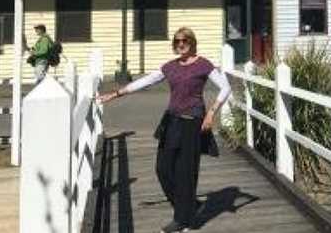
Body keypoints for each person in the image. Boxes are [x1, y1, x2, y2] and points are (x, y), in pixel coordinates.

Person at [98, 27, 231, 233]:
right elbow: (145, 81)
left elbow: (226, 87)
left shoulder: (203, 65)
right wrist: (115, 94)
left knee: (185, 172)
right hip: (171, 122)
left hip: (192, 123)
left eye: (184, 40)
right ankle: (190, 206)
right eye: (177, 41)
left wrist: (212, 112)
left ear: (192, 42)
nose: (180, 44)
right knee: (163, 168)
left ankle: (181, 220)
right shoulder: (170, 66)